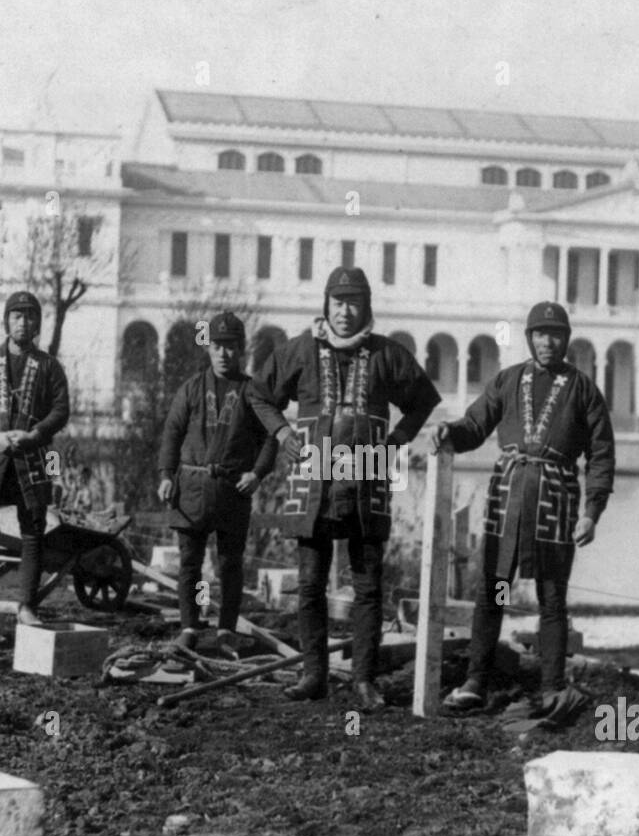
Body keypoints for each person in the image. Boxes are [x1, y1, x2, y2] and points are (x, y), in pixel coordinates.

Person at [248, 266, 440, 705]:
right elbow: (259, 394)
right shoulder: (299, 350)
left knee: (369, 585)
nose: (345, 312)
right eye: (338, 302)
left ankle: (363, 681)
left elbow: (424, 400)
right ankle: (313, 675)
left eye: (354, 303)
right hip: (313, 471)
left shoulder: (388, 354)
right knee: (311, 582)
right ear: (326, 305)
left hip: (369, 472)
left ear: (366, 307)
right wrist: (281, 434)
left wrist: (396, 441)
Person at [430, 301, 614, 720]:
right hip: (508, 496)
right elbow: (476, 426)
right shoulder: (509, 381)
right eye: (539, 333)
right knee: (494, 589)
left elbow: (601, 455)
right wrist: (450, 432)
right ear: (529, 337)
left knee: (552, 597)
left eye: (555, 334)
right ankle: (477, 679)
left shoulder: (583, 389)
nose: (547, 342)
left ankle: (552, 686)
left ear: (566, 339)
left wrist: (592, 511)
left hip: (556, 499)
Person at [158, 311, 278, 656]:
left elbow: (273, 436)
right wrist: (166, 475)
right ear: (207, 347)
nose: (224, 353)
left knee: (229, 563)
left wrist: (257, 473)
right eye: (217, 346)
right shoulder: (192, 388)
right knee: (190, 563)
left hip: (231, 490)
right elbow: (172, 432)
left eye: (231, 346)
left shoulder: (253, 390)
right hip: (192, 486)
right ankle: (191, 626)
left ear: (241, 349)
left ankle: (226, 629)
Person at [0, 290, 71, 625]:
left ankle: (27, 607)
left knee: (34, 530)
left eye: (31, 316)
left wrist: (36, 435)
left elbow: (61, 410)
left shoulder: (49, 366)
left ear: (38, 323)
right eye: (17, 316)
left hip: (31, 458)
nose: (24, 323)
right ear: (6, 321)